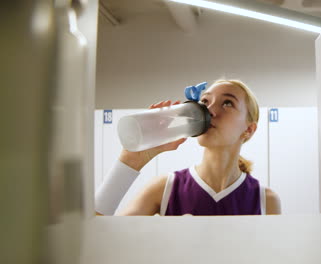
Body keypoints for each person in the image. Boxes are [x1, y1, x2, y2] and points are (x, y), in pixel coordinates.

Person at [95, 79, 281, 216]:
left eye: (227, 103)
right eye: (205, 102)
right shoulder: (165, 188)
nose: (210, 111)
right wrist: (131, 161)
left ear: (248, 129)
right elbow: (97, 236)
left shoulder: (266, 200)